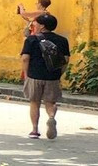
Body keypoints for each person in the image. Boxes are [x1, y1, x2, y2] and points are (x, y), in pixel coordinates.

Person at [22, 12, 71, 140]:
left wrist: (26, 74)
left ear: (42, 26)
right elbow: (65, 60)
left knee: (34, 102)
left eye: (36, 22)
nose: (34, 24)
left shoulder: (31, 39)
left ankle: (34, 130)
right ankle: (51, 117)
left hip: (34, 75)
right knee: (50, 102)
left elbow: (25, 58)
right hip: (52, 76)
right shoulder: (62, 40)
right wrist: (59, 73)